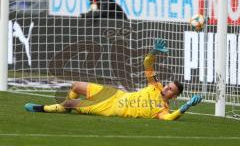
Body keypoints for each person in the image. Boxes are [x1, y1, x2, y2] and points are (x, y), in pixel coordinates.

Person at [25, 39, 202, 120]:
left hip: (111, 108)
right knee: (76, 85)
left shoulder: (161, 110)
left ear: (174, 97)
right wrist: (153, 53)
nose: (166, 89)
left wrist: (185, 108)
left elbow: (170, 118)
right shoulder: (156, 85)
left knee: (71, 104)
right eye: (168, 86)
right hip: (115, 94)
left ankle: (45, 108)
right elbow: (147, 63)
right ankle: (64, 107)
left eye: (171, 90)